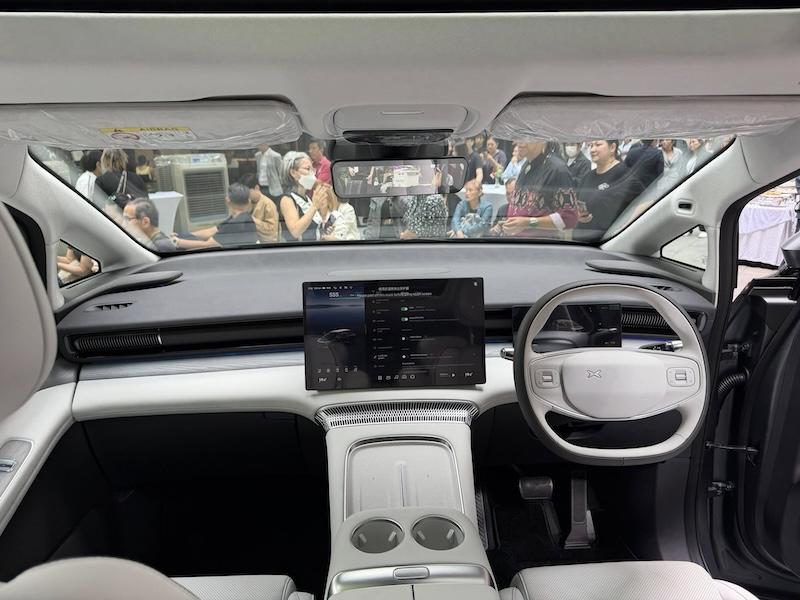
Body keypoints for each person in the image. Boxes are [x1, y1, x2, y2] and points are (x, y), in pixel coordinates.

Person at [500, 141, 579, 239]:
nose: (519, 141)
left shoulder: (558, 169)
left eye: (527, 136)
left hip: (540, 244)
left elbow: (569, 218)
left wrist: (529, 223)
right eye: (519, 135)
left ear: (542, 140)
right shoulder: (526, 166)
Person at [574, 140, 645, 242]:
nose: (592, 150)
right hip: (582, 239)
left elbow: (646, 201)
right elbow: (576, 202)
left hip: (606, 241)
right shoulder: (588, 176)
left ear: (612, 148)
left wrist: (626, 226)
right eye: (591, 146)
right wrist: (578, 215)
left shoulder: (622, 174)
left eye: (598, 145)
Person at [171, 183, 257, 249]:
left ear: (227, 201)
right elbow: (212, 231)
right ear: (249, 201)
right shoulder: (241, 218)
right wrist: (182, 235)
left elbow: (209, 245)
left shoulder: (238, 222)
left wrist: (176, 241)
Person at [279, 151, 326, 242]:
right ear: (293, 172)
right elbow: (295, 231)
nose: (312, 173)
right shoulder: (287, 200)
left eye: (312, 169)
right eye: (307, 169)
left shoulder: (306, 198)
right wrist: (314, 207)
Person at [239, 173, 280, 243]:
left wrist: (251, 220)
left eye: (248, 192)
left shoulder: (268, 204)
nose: (246, 195)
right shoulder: (248, 202)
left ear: (257, 188)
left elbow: (272, 229)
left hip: (266, 243)